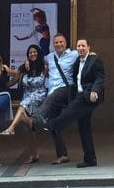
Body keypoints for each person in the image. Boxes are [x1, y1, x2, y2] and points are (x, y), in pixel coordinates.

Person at [42, 38, 105, 168]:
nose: (81, 48)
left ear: (88, 47)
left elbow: (100, 77)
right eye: (78, 46)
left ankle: (54, 124)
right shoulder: (77, 61)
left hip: (89, 96)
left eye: (83, 45)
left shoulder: (94, 60)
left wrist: (95, 90)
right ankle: (90, 159)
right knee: (83, 128)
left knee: (71, 108)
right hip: (79, 94)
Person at [31, 33, 78, 165]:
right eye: (56, 42)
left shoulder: (73, 55)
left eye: (61, 42)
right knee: (54, 125)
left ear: (66, 43)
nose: (58, 44)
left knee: (50, 100)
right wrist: (26, 62)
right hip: (52, 92)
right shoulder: (50, 57)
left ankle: (37, 118)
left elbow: (85, 54)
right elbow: (36, 59)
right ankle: (62, 155)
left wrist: (92, 54)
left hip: (65, 90)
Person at [0, 44, 49, 164]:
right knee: (28, 129)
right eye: (30, 53)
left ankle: (11, 128)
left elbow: (55, 77)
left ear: (39, 53)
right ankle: (34, 154)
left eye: (35, 52)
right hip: (27, 97)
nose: (33, 54)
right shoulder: (23, 69)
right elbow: (12, 82)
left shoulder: (44, 67)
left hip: (39, 97)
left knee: (22, 106)